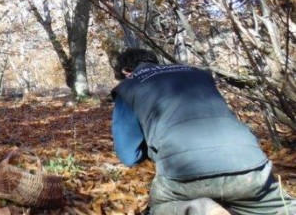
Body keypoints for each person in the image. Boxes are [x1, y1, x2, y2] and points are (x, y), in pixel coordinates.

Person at [111, 48, 296, 215]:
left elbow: (129, 156)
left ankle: (198, 209)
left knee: (159, 210)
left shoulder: (129, 86)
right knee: (283, 208)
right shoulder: (198, 73)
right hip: (251, 166)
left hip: (184, 174)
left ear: (127, 72)